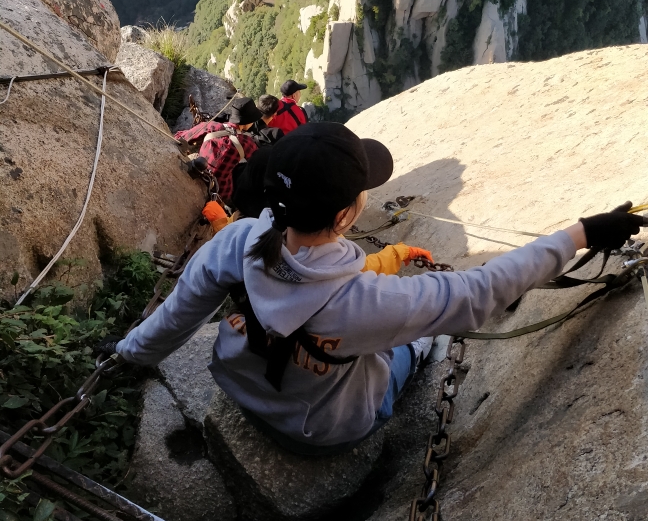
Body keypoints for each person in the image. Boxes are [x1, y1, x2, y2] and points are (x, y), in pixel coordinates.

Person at [114, 123, 644, 456]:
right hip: (319, 433)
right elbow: (481, 291)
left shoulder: (237, 241)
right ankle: (419, 351)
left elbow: (177, 315)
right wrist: (580, 233)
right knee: (402, 349)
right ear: (345, 214)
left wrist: (126, 355)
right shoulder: (366, 303)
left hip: (240, 384)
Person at [174, 95, 260, 206]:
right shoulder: (247, 143)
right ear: (247, 123)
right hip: (220, 192)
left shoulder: (210, 126)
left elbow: (183, 138)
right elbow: (257, 162)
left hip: (197, 172)